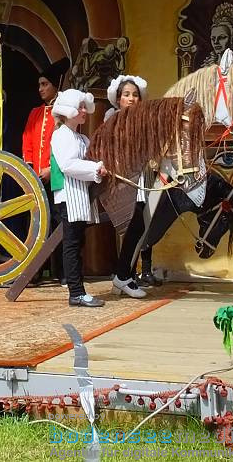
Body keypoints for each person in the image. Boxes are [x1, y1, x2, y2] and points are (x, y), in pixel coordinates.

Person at [49, 89, 108, 307]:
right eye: (80, 107)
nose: (84, 111)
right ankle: (76, 292)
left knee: (78, 242)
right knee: (72, 244)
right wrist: (96, 168)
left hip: (80, 194)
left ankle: (78, 290)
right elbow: (68, 165)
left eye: (85, 106)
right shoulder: (61, 134)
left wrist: (99, 168)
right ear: (68, 110)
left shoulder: (82, 137)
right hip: (69, 194)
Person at [21, 59, 69, 284]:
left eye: (44, 84)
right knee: (38, 225)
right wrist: (30, 168)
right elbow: (27, 142)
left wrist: (51, 169)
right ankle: (37, 271)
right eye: (39, 85)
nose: (40, 89)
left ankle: (62, 272)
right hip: (36, 178)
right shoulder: (35, 113)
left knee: (60, 223)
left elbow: (64, 146)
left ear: (55, 86)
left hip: (57, 177)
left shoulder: (64, 113)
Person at [105, 75, 151, 298]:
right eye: (126, 95)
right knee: (135, 226)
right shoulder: (112, 121)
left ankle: (126, 275)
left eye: (135, 95)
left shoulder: (142, 122)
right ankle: (123, 275)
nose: (131, 98)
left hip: (139, 180)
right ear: (118, 98)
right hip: (120, 180)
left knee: (140, 227)